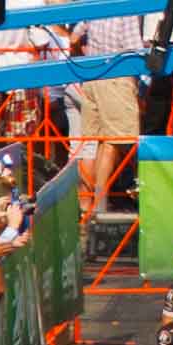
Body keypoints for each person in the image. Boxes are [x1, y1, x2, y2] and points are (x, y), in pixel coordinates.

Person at [72, 16, 143, 214]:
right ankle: (100, 205)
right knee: (115, 142)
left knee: (98, 143)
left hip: (91, 75)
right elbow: (134, 51)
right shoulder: (126, 9)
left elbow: (74, 37)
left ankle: (90, 203)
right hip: (116, 78)